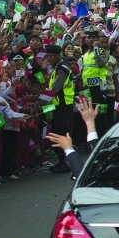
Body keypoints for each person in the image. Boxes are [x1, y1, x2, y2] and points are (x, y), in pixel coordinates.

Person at [44, 44, 74, 174]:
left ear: (57, 56)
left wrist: (41, 100)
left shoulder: (63, 68)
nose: (48, 59)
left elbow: (55, 89)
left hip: (63, 106)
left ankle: (67, 162)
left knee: (60, 135)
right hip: (56, 106)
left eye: (51, 56)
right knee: (55, 135)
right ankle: (63, 161)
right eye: (47, 56)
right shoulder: (57, 68)